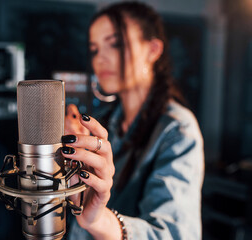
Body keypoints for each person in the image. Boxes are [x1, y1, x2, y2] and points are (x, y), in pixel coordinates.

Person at [61, 1, 205, 239]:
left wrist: (97, 218)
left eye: (115, 44)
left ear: (153, 50)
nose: (101, 58)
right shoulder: (103, 125)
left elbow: (174, 234)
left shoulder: (177, 129)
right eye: (95, 49)